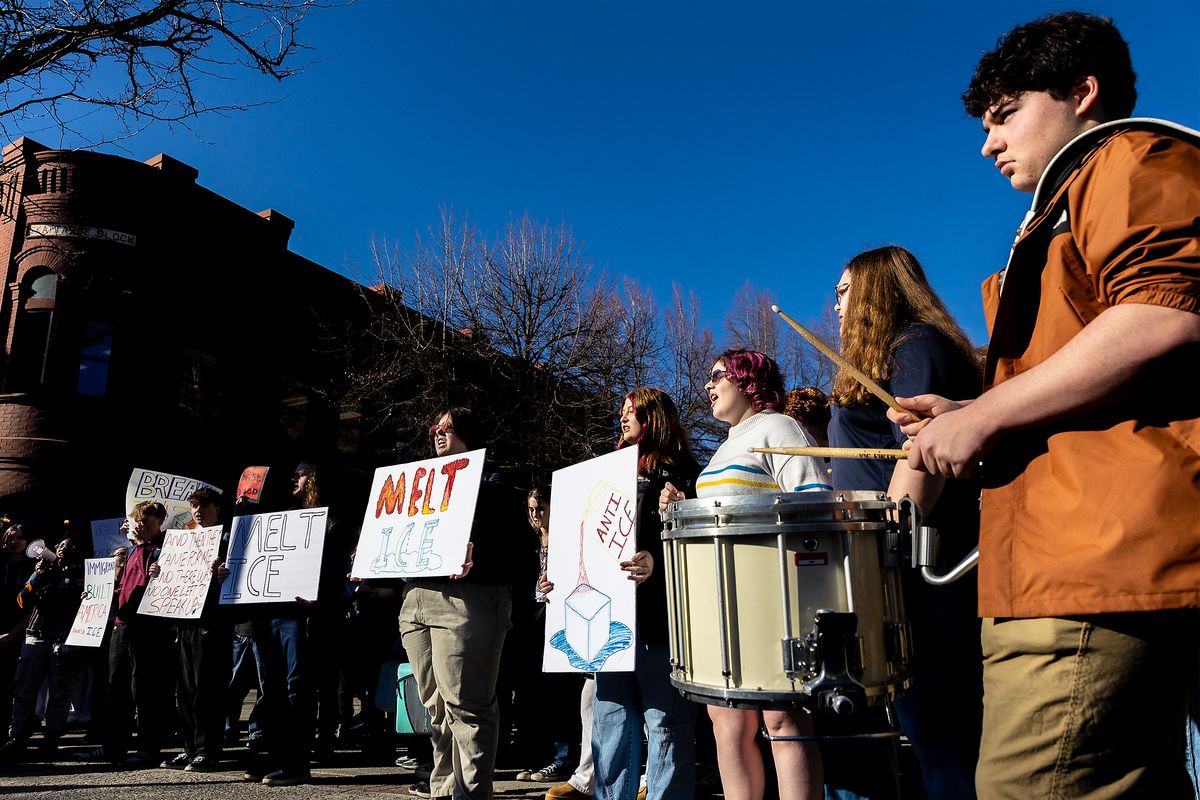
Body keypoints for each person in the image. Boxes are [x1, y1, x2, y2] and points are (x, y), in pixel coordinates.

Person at [890, 12, 1199, 797]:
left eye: (1004, 114)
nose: (987, 144)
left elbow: (1167, 314)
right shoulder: (1079, 192)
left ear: (1081, 92)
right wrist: (974, 409)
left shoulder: (1129, 157)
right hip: (1081, 560)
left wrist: (987, 414)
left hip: (1098, 562)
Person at [826, 246, 983, 798]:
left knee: (946, 747)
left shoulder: (914, 345)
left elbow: (924, 453)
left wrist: (880, 557)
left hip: (920, 567)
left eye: (845, 291)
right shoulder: (902, 351)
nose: (836, 304)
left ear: (875, 291)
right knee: (936, 743)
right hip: (904, 565)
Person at [661, 349, 831, 800]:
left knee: (783, 718)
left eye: (717, 375)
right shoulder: (726, 444)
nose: (707, 385)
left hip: (773, 600)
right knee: (727, 718)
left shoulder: (779, 427)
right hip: (720, 603)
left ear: (747, 379)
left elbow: (816, 507)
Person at [545, 388, 702, 800]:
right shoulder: (602, 472)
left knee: (664, 721)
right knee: (610, 722)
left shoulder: (686, 472)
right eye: (620, 412)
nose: (622, 418)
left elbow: (700, 550)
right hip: (609, 623)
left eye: (631, 411)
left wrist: (660, 561)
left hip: (658, 620)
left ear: (654, 416)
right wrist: (555, 580)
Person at [399, 406, 522, 799]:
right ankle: (444, 788)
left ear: (470, 433)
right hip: (417, 598)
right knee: (434, 707)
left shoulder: (494, 485)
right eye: (435, 427)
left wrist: (475, 551)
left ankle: (471, 793)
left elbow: (512, 548)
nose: (438, 433)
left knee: (466, 706)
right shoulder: (421, 488)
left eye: (449, 428)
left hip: (465, 602)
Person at [512, 485, 582, 785]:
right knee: (534, 692)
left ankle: (564, 757)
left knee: (561, 693)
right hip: (534, 621)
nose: (535, 514)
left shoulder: (567, 539)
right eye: (531, 509)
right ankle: (540, 755)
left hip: (563, 620)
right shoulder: (529, 542)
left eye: (540, 507)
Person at [159, 486, 232, 772]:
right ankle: (190, 749)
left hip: (211, 622)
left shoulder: (226, 540)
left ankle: (208, 749)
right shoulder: (183, 541)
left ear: (217, 509)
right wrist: (158, 571)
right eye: (194, 506)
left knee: (207, 688)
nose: (198, 511)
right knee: (186, 689)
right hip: (185, 621)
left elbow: (238, 573)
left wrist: (225, 572)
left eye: (204, 506)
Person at [105, 500, 172, 768]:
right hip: (123, 624)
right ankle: (114, 747)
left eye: (148, 522)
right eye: (139, 522)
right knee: (117, 686)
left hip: (148, 627)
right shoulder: (133, 550)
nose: (142, 526)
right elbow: (123, 588)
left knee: (145, 689)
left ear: (160, 523)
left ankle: (148, 748)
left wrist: (160, 572)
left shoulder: (164, 550)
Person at [4, 535, 84, 757]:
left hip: (64, 637)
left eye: (68, 545)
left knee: (59, 692)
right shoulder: (44, 569)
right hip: (36, 635)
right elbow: (21, 600)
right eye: (60, 544)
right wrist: (38, 577)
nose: (61, 548)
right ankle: (18, 737)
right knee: (24, 690)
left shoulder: (82, 574)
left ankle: (51, 738)